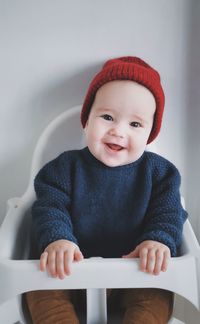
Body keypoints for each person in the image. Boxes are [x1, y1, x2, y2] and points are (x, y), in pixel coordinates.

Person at [25, 56, 187, 324]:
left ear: (150, 134)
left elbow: (169, 211)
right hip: (68, 272)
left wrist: (158, 240)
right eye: (107, 117)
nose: (118, 131)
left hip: (135, 274)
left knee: (157, 293)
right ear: (86, 120)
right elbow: (48, 207)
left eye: (135, 124)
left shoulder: (161, 174)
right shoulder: (63, 169)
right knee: (41, 289)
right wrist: (58, 239)